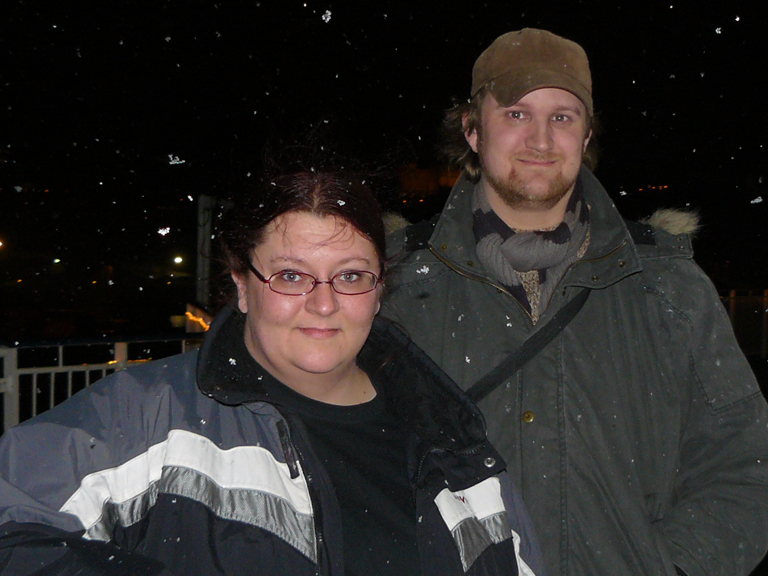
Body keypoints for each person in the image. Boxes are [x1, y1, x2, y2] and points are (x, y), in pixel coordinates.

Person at [0, 165, 543, 576]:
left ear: (380, 290)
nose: (323, 304)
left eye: (351, 276)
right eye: (291, 276)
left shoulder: (455, 448)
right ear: (242, 285)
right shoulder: (147, 416)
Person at [381, 28, 768, 576]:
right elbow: (348, 466)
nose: (540, 140)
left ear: (586, 136)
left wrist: (673, 568)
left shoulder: (669, 288)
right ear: (472, 128)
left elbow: (746, 465)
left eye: (562, 117)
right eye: (516, 113)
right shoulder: (394, 288)